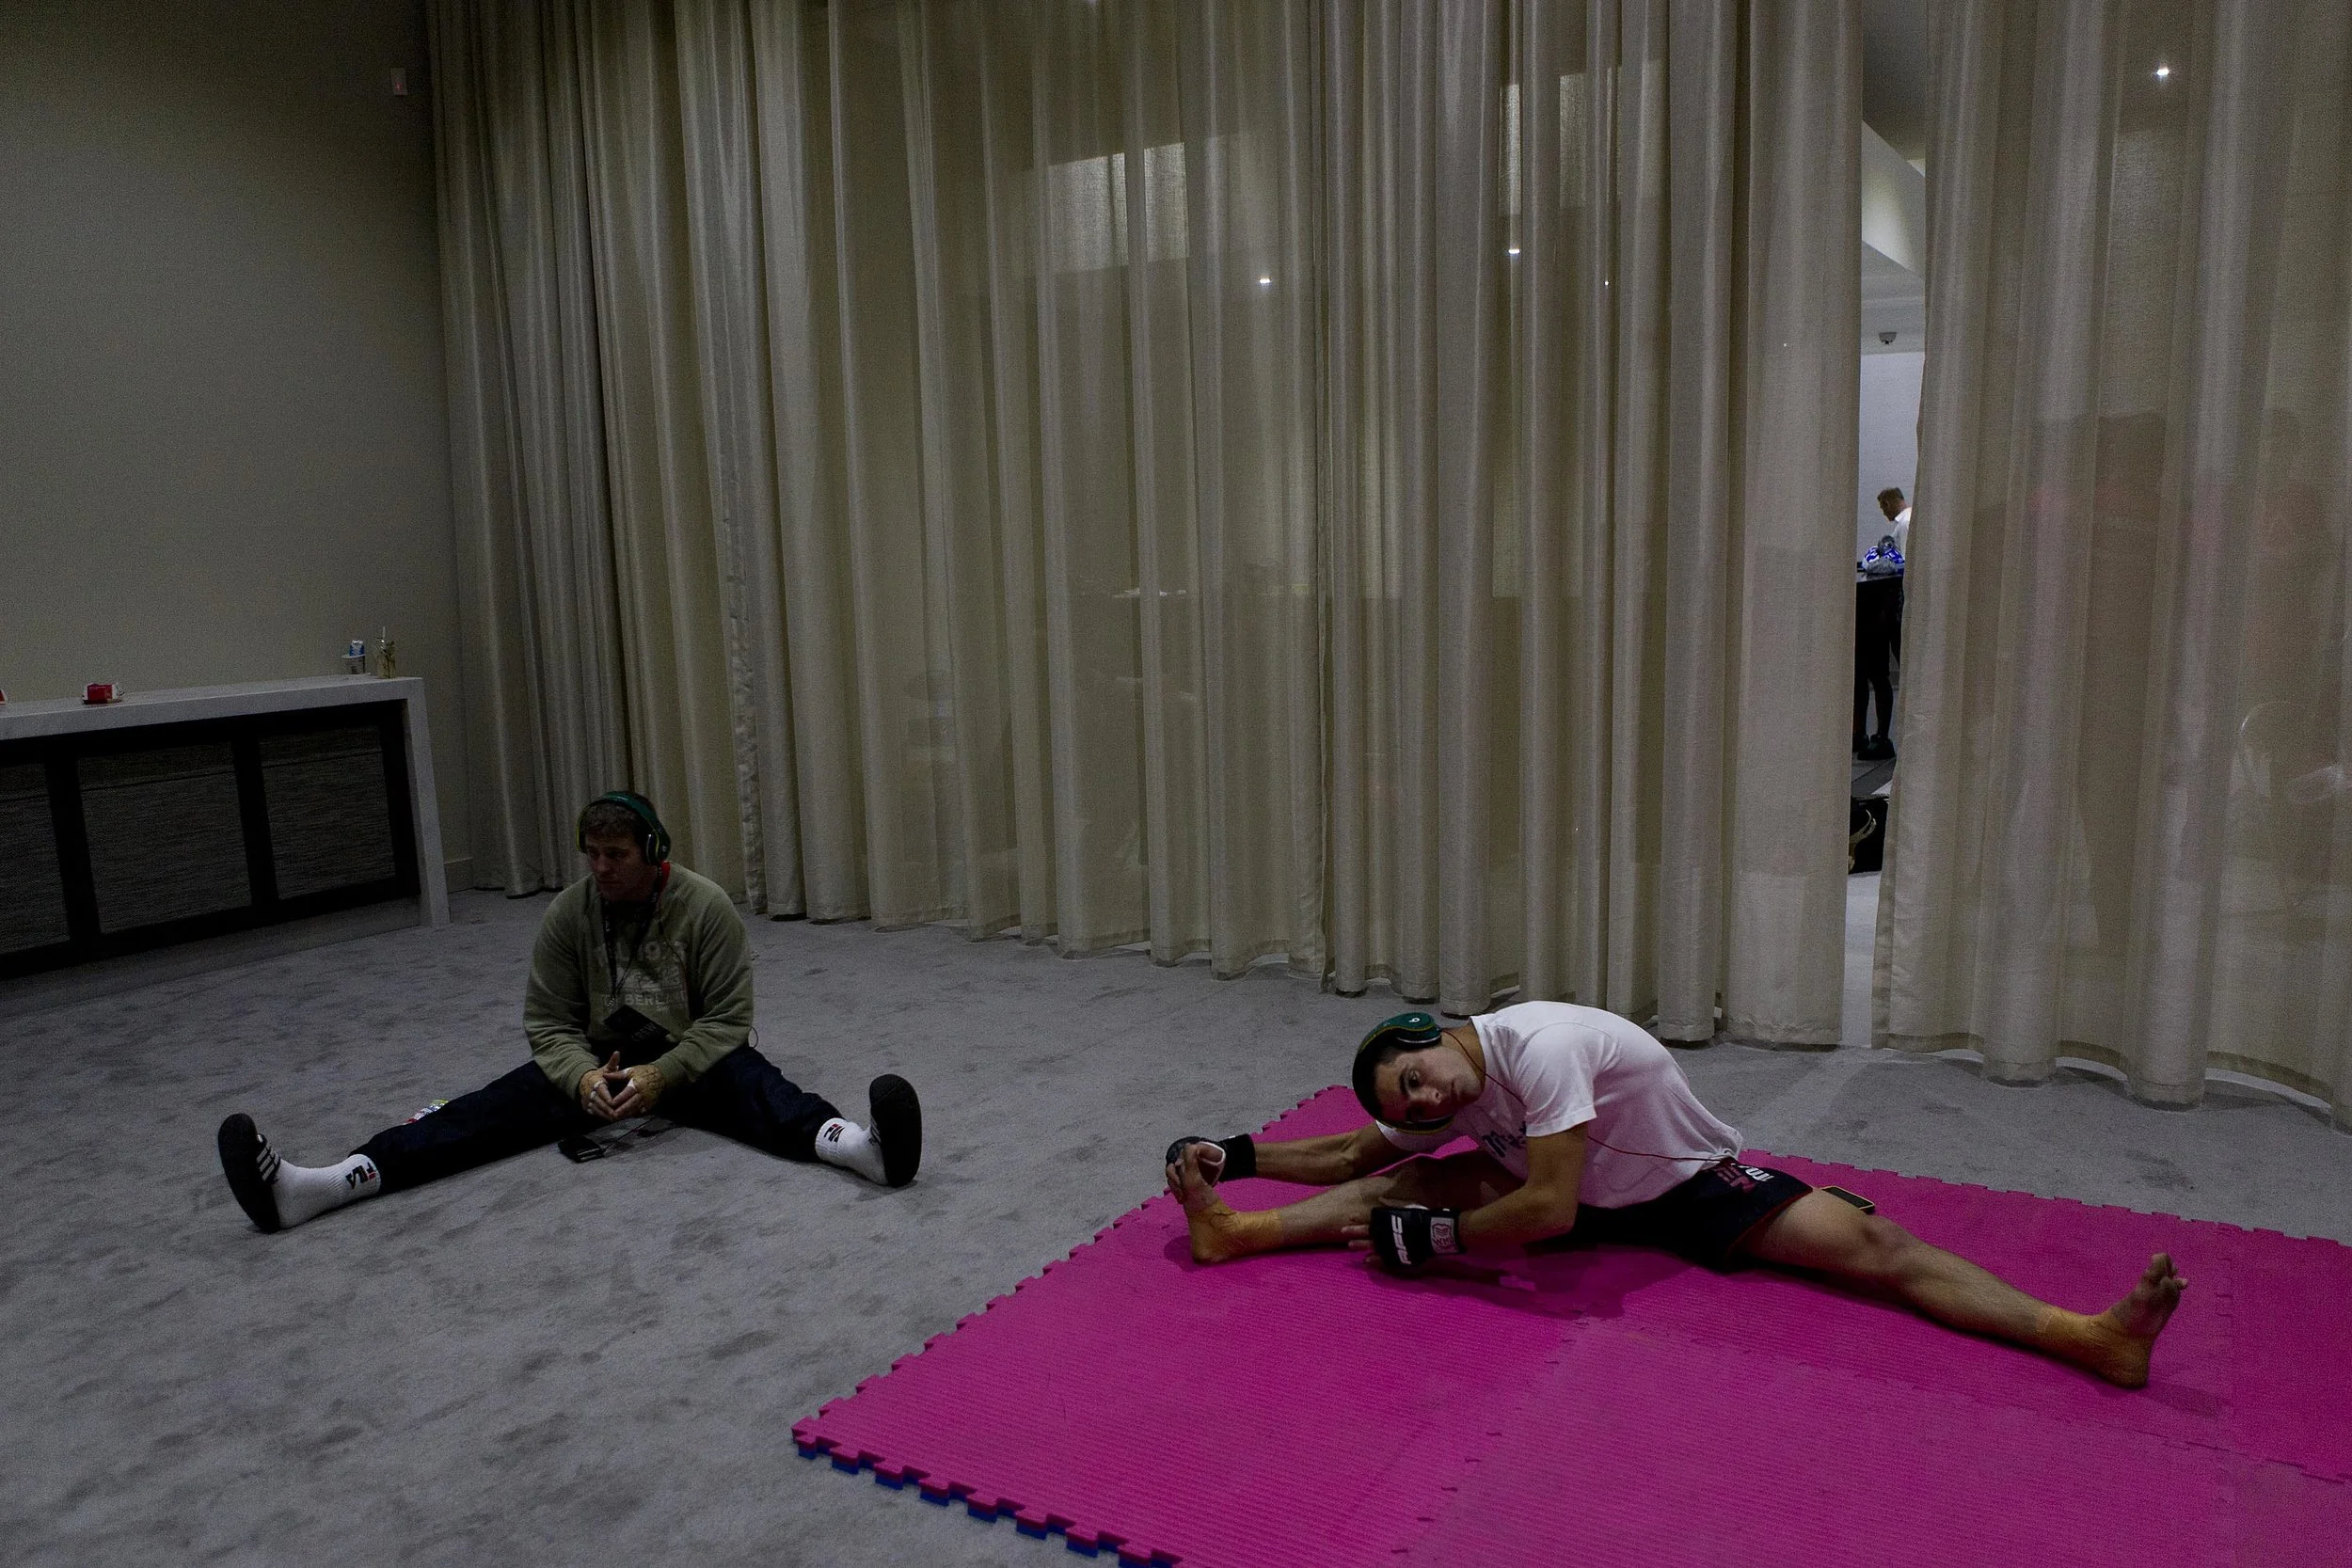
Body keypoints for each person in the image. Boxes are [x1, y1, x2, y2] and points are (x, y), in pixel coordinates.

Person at [1164, 1007, 2186, 1388]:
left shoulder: (1542, 1047)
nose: (1426, 1100)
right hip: (1563, 1187)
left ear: (1437, 1028)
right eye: (1411, 1101)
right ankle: (1234, 1233)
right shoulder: (1452, 1096)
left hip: (1685, 1185)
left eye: (1419, 1079)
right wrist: (1237, 1153)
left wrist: (1432, 1236)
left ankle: (2087, 1334)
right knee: (1404, 1172)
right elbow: (1352, 1147)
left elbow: (1551, 1208)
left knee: (1881, 1250)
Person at [215, 791, 922, 1232]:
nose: (603, 868)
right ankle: (321, 1187)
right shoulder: (568, 913)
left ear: (652, 853)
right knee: (478, 1113)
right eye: (593, 855)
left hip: (690, 1060)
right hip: (594, 1060)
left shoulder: (706, 908)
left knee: (766, 1092)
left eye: (617, 854)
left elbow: (728, 1020)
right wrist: (583, 1077)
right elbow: (547, 1020)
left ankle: (862, 1148)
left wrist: (660, 1078)